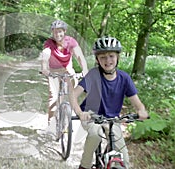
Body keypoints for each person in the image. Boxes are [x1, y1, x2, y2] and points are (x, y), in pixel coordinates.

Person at [73, 36, 149, 169]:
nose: (107, 60)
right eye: (102, 57)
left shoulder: (124, 78)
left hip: (112, 118)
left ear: (117, 57)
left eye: (111, 56)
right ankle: (84, 165)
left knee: (123, 159)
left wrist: (141, 110)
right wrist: (80, 113)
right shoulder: (93, 75)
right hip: (91, 115)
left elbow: (137, 102)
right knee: (95, 135)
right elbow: (73, 95)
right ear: (97, 60)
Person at [40, 20, 88, 124]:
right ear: (52, 32)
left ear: (64, 31)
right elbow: (45, 55)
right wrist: (44, 69)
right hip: (53, 71)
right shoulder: (49, 43)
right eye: (55, 31)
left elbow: (79, 56)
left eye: (60, 31)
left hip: (68, 70)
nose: (57, 34)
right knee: (53, 97)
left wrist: (85, 70)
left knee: (72, 94)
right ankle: (51, 124)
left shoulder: (71, 42)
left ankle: (71, 113)